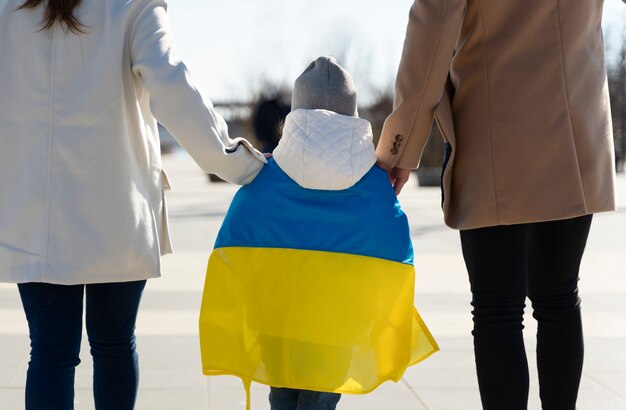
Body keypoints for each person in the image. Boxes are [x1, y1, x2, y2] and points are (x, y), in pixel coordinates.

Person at [0, 0, 266, 408]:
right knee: (114, 345)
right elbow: (173, 86)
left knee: (50, 352)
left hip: (35, 215)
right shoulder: (130, 5)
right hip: (117, 212)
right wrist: (237, 163)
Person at [376, 1, 621, 409]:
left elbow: (433, 28)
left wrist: (401, 146)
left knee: (497, 310)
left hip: (495, 131)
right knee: (559, 296)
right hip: (577, 131)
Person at [198, 57, 438, 410]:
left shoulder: (266, 177)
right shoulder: (373, 183)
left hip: (276, 314)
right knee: (321, 397)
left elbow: (238, 232)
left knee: (281, 392)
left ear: (295, 111)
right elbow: (393, 240)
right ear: (352, 113)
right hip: (339, 320)